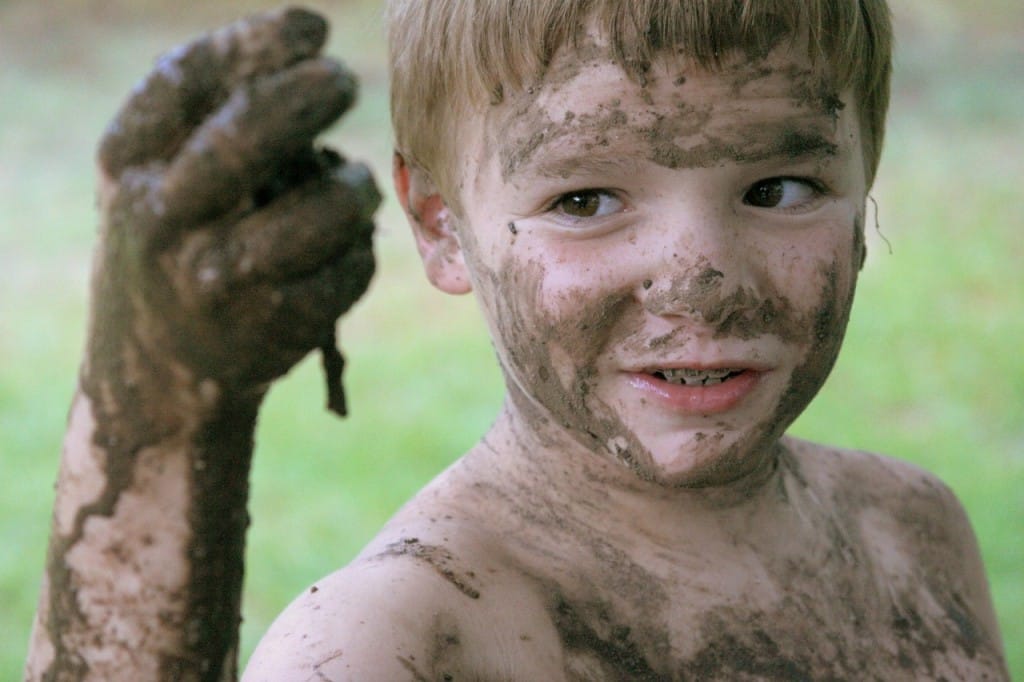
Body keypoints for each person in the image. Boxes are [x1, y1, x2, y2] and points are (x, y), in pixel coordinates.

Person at [26, 2, 1009, 681]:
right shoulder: (396, 640)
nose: (699, 275)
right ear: (441, 224)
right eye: (584, 199)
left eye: (779, 188)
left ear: (864, 180)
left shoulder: (911, 532)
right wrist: (153, 417)